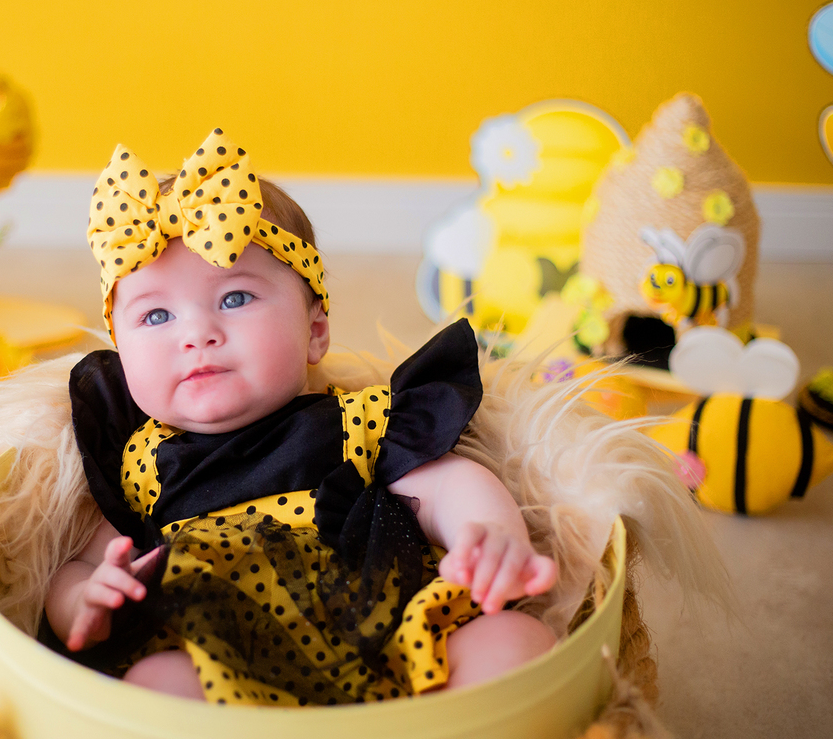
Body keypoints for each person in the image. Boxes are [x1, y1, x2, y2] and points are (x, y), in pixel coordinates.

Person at [38, 129, 558, 706]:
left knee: (519, 641)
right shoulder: (141, 459)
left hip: (394, 639)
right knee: (155, 690)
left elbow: (446, 487)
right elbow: (79, 565)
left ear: (314, 331)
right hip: (223, 661)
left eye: (234, 299)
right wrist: (86, 598)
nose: (197, 335)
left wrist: (490, 536)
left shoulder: (353, 420)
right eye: (156, 314)